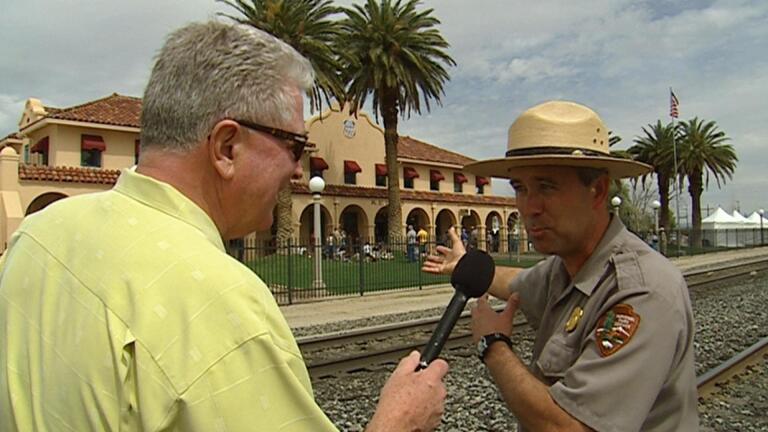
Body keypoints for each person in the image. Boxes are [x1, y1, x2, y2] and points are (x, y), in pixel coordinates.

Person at [0, 21, 448, 432]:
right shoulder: (218, 301)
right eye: (295, 146)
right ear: (227, 147)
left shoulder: (39, 234)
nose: (299, 170)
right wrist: (399, 423)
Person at [423, 100, 699, 431]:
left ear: (597, 191)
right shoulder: (566, 267)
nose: (529, 207)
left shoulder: (642, 289)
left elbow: (570, 428)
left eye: (546, 187)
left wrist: (493, 345)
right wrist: (463, 265)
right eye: (521, 189)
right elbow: (515, 283)